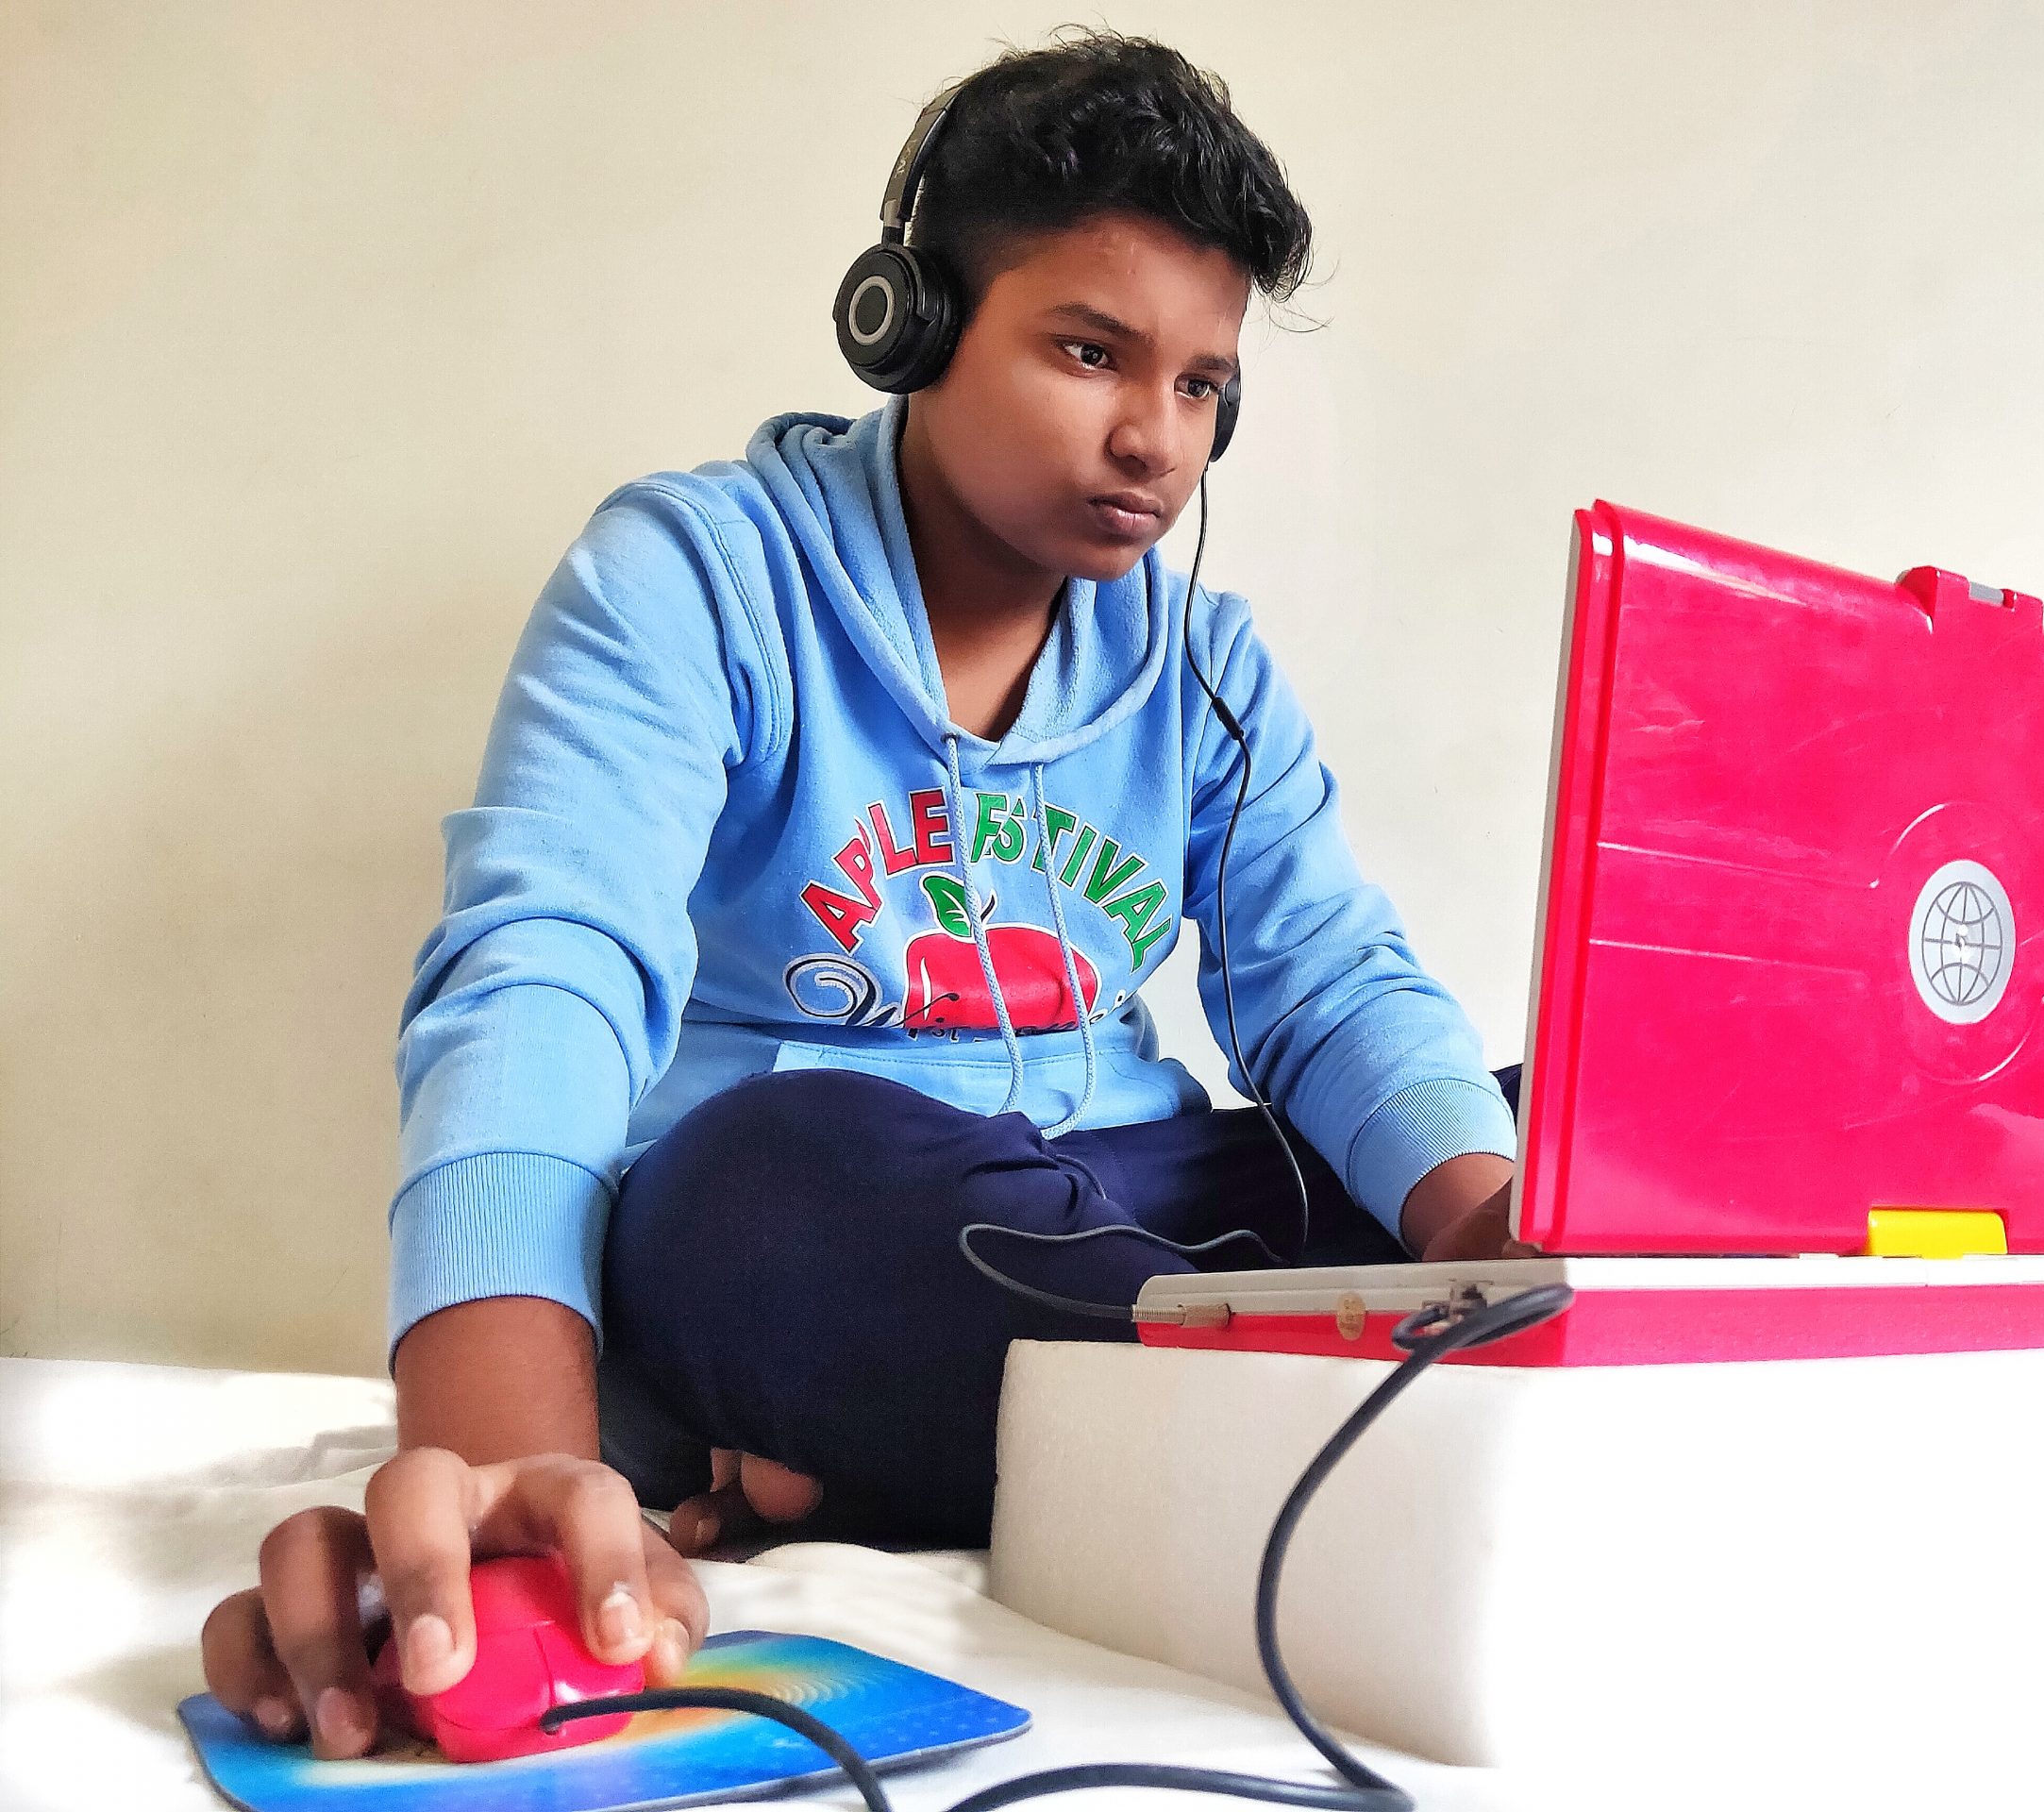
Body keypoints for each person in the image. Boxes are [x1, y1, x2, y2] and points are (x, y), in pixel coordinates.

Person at [199, 29, 1522, 1760]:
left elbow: (1331, 977)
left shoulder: (1207, 666)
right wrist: (519, 1447)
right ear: (904, 322)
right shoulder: (691, 574)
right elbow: (546, 965)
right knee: (770, 1173)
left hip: (1101, 1221)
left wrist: (1499, 1235)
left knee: (1542, 1124)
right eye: (1088, 350)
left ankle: (1279, 1384)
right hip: (830, 1212)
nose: (1155, 439)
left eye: (1202, 385)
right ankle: (1356, 1396)